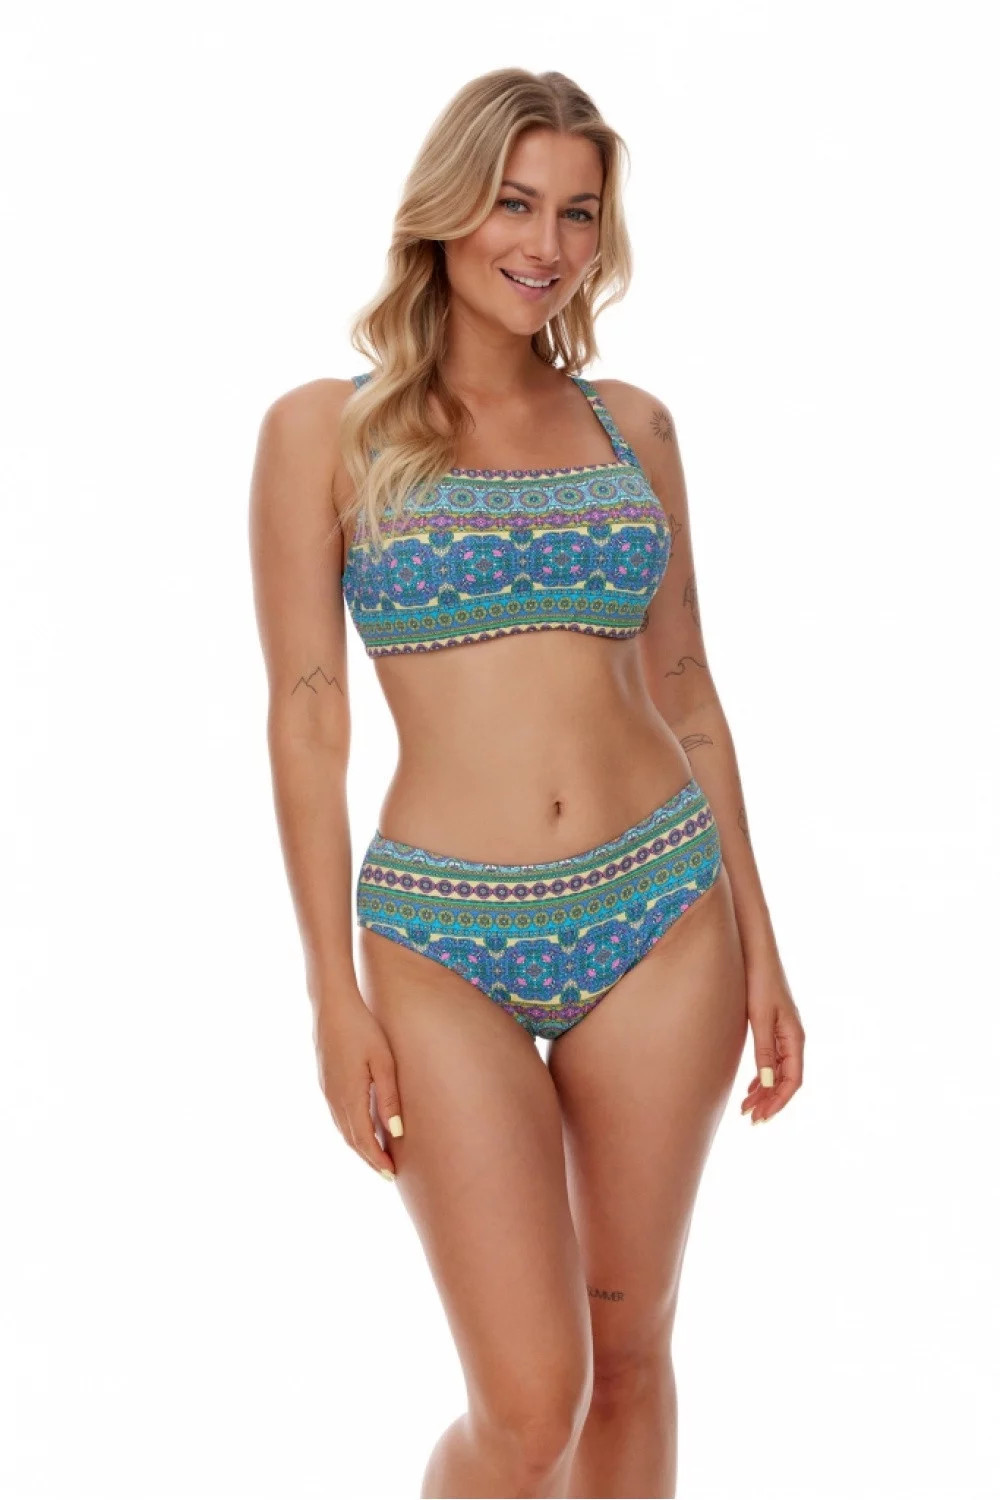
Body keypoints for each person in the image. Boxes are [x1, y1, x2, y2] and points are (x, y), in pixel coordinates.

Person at [250, 66, 804, 1500]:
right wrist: (328, 993)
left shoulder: (636, 426)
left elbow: (689, 694)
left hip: (661, 916)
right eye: (512, 202)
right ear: (445, 210)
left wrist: (764, 948)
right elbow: (308, 726)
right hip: (441, 941)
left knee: (632, 1358)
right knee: (527, 1405)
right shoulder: (325, 432)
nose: (544, 244)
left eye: (577, 212)